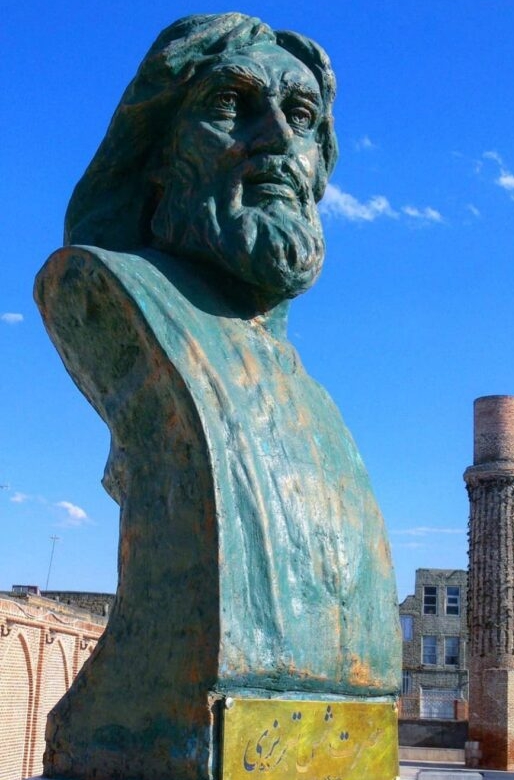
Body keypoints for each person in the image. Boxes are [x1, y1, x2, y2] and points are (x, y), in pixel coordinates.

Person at [36, 14, 400, 780]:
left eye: (300, 116)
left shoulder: (320, 411)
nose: (276, 139)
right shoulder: (116, 294)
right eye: (234, 106)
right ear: (162, 156)